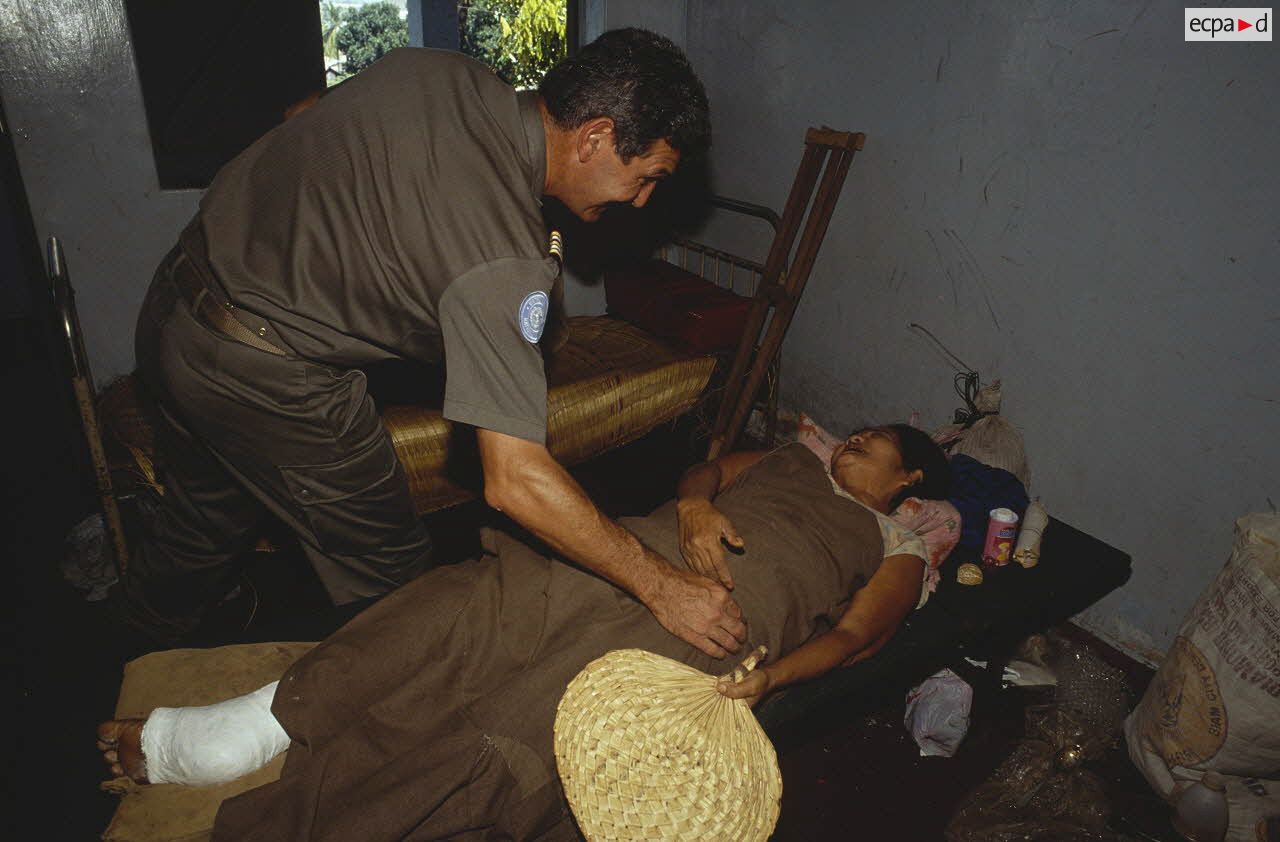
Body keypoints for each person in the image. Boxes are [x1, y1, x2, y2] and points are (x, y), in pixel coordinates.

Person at [117, 28, 745, 659]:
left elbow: (302, 115)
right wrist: (661, 586)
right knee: (391, 572)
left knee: (206, 512)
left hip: (177, 304)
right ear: (595, 138)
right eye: (646, 177)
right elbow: (515, 480)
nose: (642, 201)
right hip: (264, 370)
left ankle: (135, 644)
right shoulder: (503, 263)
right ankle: (387, 719)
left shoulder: (437, 72)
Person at [98, 425, 952, 840]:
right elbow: (702, 470)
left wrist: (768, 681)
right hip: (639, 554)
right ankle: (260, 723)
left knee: (519, 727)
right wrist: (694, 500)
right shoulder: (789, 456)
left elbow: (853, 641)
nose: (854, 441)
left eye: (875, 445)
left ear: (907, 479)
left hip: (720, 625)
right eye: (857, 433)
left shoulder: (896, 543)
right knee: (457, 609)